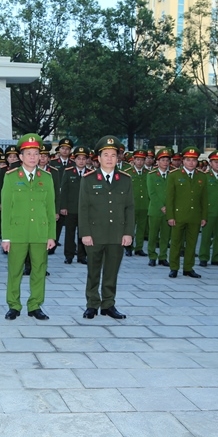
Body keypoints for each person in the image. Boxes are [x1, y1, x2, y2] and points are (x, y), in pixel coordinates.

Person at [2, 134, 56, 321]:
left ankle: (35, 305)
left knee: (39, 270)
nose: (33, 157)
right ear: (20, 156)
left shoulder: (47, 178)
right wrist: (6, 236)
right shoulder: (10, 177)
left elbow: (50, 209)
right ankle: (14, 305)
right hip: (17, 232)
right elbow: (6, 209)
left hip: (39, 233)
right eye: (28, 153)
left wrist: (51, 235)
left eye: (36, 153)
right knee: (15, 270)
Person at [79, 135, 134, 320]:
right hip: (95, 233)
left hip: (117, 234)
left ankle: (108, 304)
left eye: (113, 155)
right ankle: (92, 304)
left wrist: (128, 233)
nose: (110, 158)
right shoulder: (88, 179)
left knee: (111, 272)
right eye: (106, 155)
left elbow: (129, 208)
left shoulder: (125, 179)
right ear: (98, 158)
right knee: (93, 271)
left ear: (118, 158)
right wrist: (85, 233)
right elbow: (83, 208)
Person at [165, 146, 207, 278]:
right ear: (183, 161)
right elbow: (169, 198)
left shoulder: (202, 176)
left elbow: (204, 199)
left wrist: (204, 216)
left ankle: (188, 268)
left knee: (191, 243)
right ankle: (174, 267)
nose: (191, 163)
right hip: (178, 216)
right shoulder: (174, 175)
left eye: (194, 160)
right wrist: (170, 216)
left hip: (194, 216)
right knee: (176, 243)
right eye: (188, 160)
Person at [59, 146, 91, 265]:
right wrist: (63, 207)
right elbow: (64, 191)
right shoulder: (68, 172)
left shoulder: (90, 174)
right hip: (71, 208)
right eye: (79, 158)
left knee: (83, 233)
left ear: (87, 160)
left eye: (84, 159)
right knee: (69, 233)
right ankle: (69, 255)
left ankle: (82, 256)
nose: (81, 161)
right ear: (75, 160)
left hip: (85, 209)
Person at [198, 150, 218, 268]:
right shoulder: (204, 177)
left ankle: (217, 257)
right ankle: (203, 257)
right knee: (206, 236)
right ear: (210, 163)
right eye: (215, 162)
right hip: (209, 211)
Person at [146, 148, 172, 267]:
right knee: (153, 235)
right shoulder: (151, 175)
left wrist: (169, 207)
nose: (165, 163)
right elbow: (152, 194)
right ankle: (152, 256)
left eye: (167, 160)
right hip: (155, 210)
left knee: (165, 236)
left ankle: (163, 256)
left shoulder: (172, 175)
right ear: (157, 162)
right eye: (162, 160)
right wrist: (161, 206)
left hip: (169, 210)